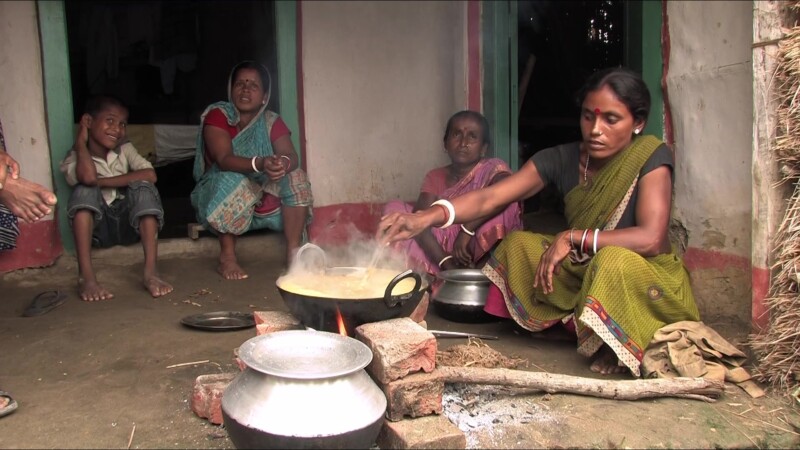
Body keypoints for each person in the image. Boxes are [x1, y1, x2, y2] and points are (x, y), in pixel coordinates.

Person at [377, 67, 700, 377]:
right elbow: (491, 198)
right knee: (519, 245)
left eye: (611, 119)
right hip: (584, 267)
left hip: (639, 273)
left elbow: (651, 238)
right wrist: (424, 217)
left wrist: (573, 237)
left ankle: (613, 336)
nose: (595, 129)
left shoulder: (651, 155)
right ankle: (567, 324)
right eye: (589, 116)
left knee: (611, 261)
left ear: (638, 122)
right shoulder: (561, 157)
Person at [191, 60, 313, 280]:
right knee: (233, 180)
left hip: (264, 202)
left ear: (265, 96)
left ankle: (294, 255)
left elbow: (291, 155)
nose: (245, 89)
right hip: (218, 197)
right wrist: (260, 163)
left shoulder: (270, 121)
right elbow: (224, 159)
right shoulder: (219, 114)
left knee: (296, 176)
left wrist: (281, 164)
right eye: (240, 84)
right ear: (231, 90)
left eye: (253, 85)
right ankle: (227, 257)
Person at [60, 95, 173, 301]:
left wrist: (103, 182)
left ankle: (151, 273)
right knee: (84, 190)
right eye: (109, 120)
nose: (117, 129)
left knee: (143, 188)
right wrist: (80, 142)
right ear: (88, 121)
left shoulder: (125, 149)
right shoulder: (75, 157)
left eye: (122, 124)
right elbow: (87, 177)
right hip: (99, 231)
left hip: (128, 226)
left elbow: (150, 175)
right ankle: (87, 278)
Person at [382, 110, 522, 276]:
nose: (463, 143)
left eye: (472, 136)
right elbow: (419, 220)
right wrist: (444, 261)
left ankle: (481, 277)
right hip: (440, 250)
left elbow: (504, 193)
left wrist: (467, 230)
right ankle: (436, 278)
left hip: (474, 241)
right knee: (396, 210)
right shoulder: (435, 176)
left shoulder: (493, 167)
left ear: (483, 148)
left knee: (508, 201)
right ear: (445, 144)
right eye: (457, 134)